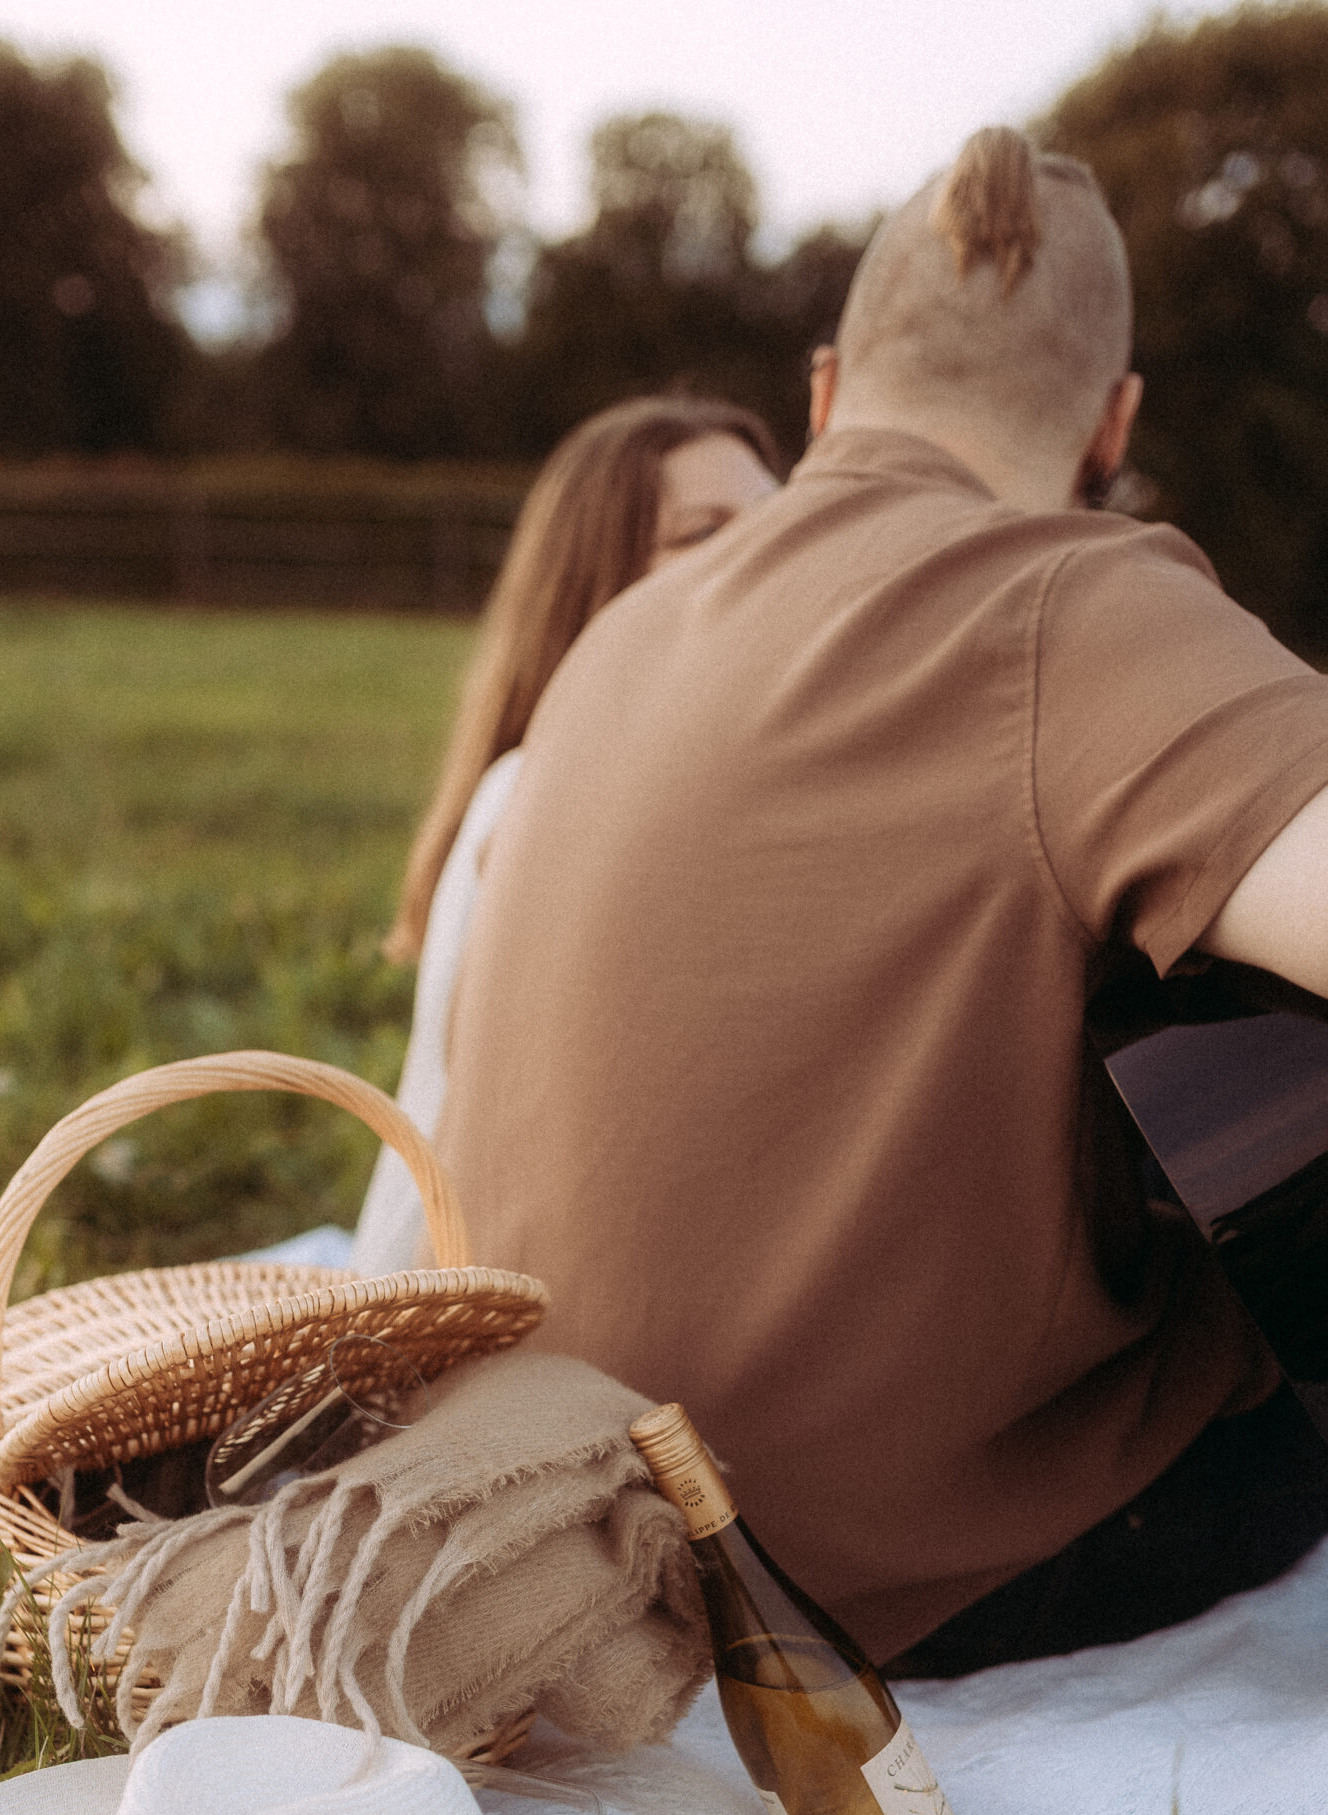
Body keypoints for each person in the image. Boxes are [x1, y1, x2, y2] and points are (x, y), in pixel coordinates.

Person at [433, 126, 1328, 1676]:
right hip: (888, 1579)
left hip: (573, 1518)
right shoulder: (1069, 598)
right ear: (1109, 427)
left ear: (826, 391)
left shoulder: (616, 639)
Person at [349, 395, 782, 1276]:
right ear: (600, 580)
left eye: (780, 523)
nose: (767, 555)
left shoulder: (735, 780)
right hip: (467, 1307)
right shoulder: (539, 796)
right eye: (704, 532)